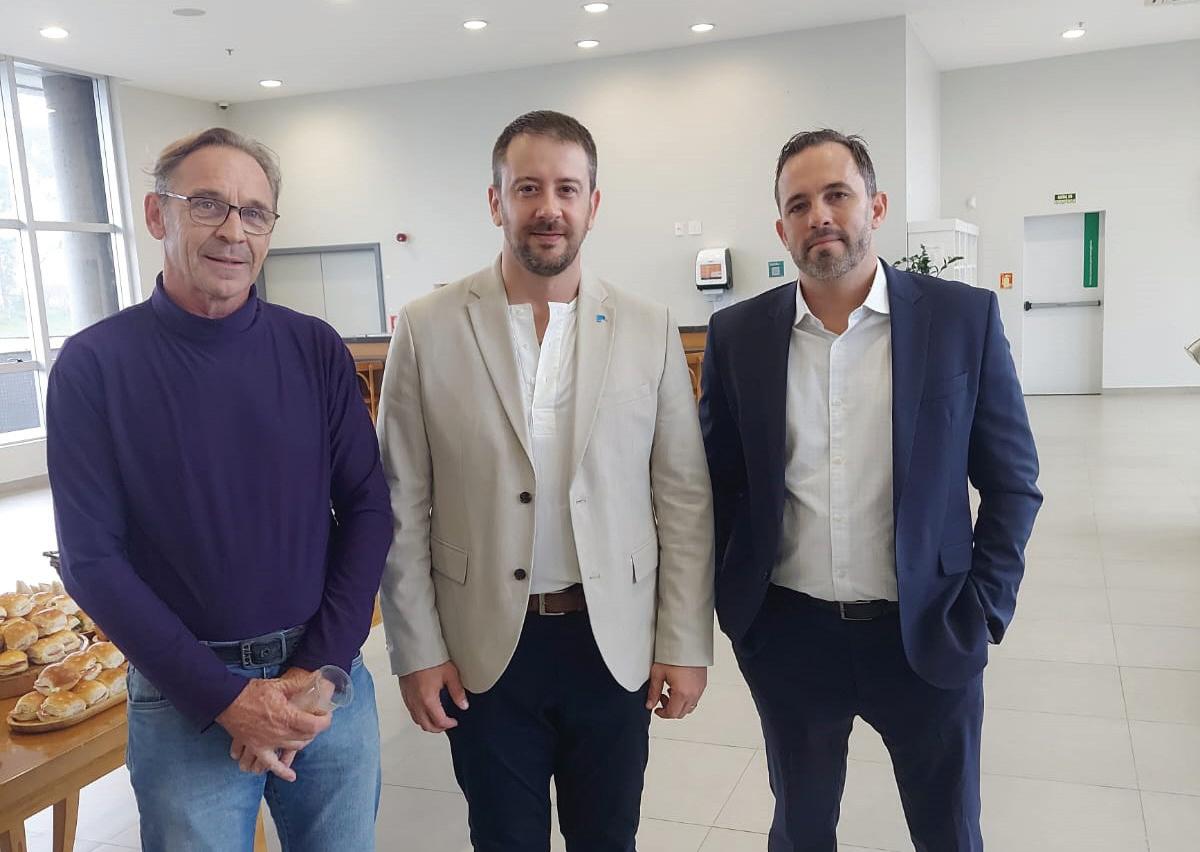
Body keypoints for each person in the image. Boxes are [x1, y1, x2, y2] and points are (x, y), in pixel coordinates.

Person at [376, 110, 715, 851]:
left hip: (612, 641)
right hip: (482, 647)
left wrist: (685, 640)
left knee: (608, 839)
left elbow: (683, 500)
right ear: (495, 201)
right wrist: (417, 648)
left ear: (594, 203)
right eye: (527, 188)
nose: (548, 207)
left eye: (567, 188)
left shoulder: (648, 327)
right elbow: (401, 503)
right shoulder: (429, 327)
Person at [46, 127, 392, 852]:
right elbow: (91, 560)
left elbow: (367, 507)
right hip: (185, 696)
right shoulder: (96, 365)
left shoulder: (313, 348)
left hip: (325, 683)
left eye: (254, 212)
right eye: (207, 204)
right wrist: (226, 698)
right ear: (157, 214)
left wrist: (320, 669)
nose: (234, 231)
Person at [699, 129, 1042, 851]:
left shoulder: (962, 320)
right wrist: (742, 612)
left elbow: (1013, 482)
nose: (819, 215)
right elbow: (718, 484)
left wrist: (983, 607)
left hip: (928, 629)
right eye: (799, 204)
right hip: (790, 636)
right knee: (800, 830)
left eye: (837, 195)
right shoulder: (738, 336)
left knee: (949, 831)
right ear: (781, 228)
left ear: (875, 207)